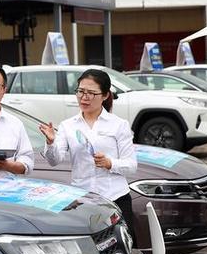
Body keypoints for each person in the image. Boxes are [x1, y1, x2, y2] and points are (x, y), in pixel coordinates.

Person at [39, 68, 137, 232]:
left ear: (105, 95)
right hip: (82, 199)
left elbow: (131, 165)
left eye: (91, 93)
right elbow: (54, 160)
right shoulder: (68, 125)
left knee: (123, 248)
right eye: (80, 91)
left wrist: (109, 163)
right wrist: (50, 142)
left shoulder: (119, 124)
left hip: (115, 198)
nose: (84, 97)